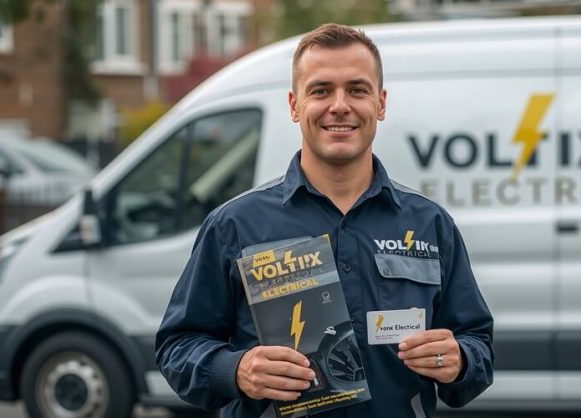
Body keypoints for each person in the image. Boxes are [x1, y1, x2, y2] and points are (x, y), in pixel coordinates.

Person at [155, 23, 494, 418]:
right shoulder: (234, 225)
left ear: (380, 103)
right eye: (320, 90)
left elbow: (478, 345)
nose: (339, 105)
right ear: (295, 105)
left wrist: (460, 361)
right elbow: (177, 347)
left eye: (357, 89)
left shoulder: (430, 225)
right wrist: (236, 370)